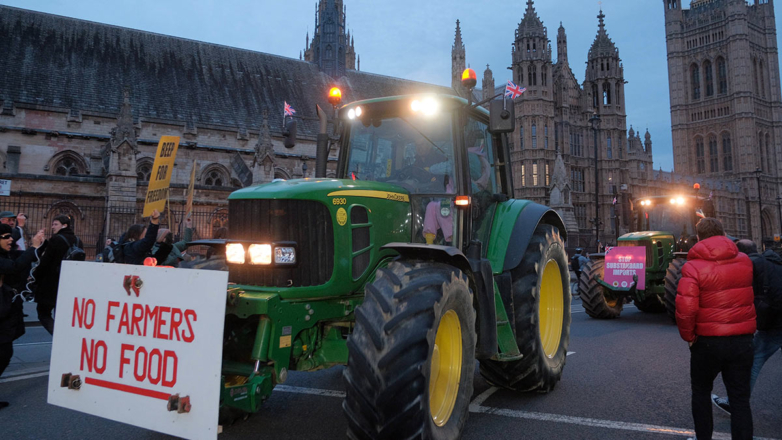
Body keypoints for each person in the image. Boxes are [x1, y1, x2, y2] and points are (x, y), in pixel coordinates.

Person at [676, 218, 755, 440]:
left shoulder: (691, 266)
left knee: (701, 393)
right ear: (722, 233)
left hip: (708, 342)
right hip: (742, 340)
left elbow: (686, 308)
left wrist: (690, 337)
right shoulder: (745, 261)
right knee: (740, 399)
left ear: (699, 237)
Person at [711, 239, 782, 416]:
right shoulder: (773, 261)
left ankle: (734, 404)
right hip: (776, 320)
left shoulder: (749, 265)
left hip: (774, 323)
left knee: (753, 360)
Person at [0, 224, 44, 410]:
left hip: (6, 310)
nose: (10, 239)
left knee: (4, 351)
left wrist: (35, 245)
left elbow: (19, 262)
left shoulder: (6, 254)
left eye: (11, 236)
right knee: (3, 352)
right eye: (5, 236)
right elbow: (15, 266)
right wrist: (33, 247)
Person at [31, 214, 82, 335]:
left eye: (55, 224)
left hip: (51, 283)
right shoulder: (78, 240)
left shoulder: (56, 239)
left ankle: (59, 336)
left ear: (64, 225)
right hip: (69, 284)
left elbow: (45, 262)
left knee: (43, 313)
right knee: (61, 315)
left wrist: (35, 277)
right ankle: (64, 339)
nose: (52, 227)